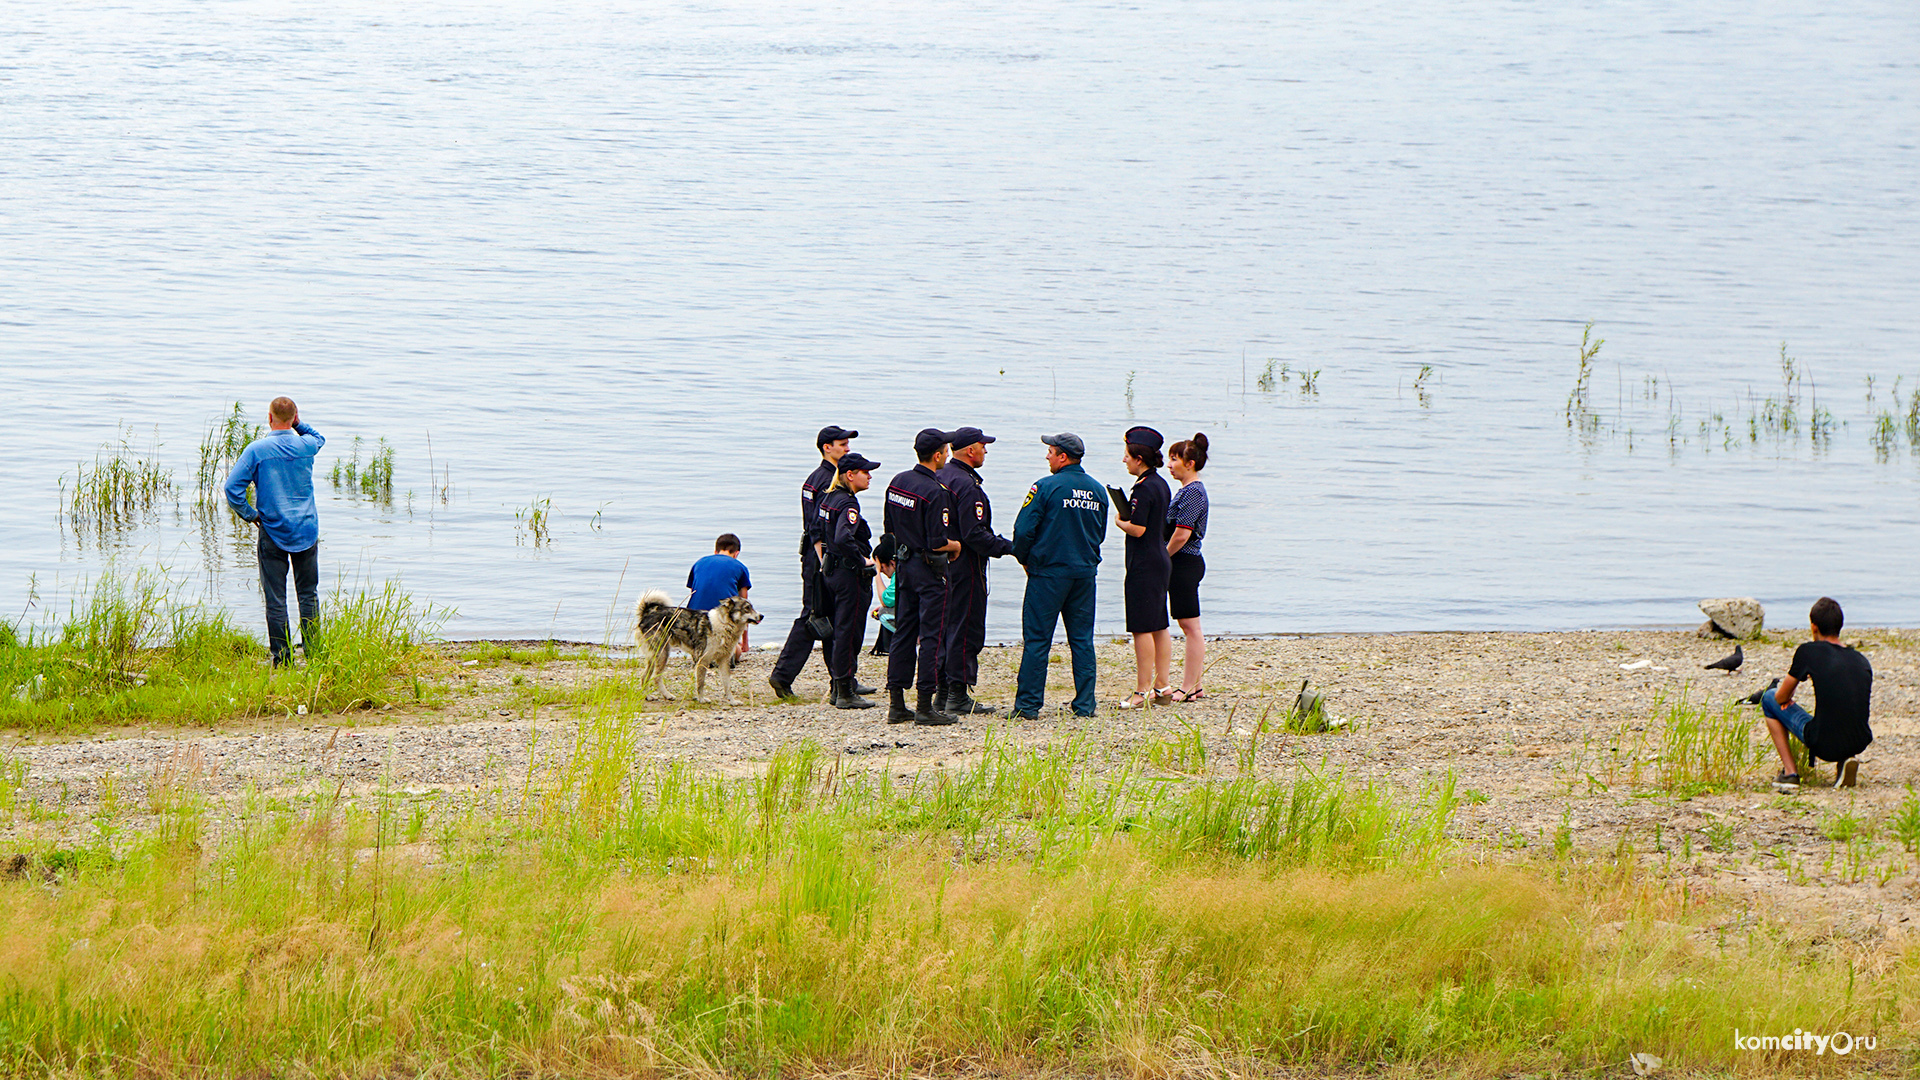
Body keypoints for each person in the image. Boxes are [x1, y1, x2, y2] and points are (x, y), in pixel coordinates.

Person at [1010, 433, 1109, 719]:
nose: (1047, 457)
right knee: (1082, 639)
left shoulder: (1045, 487)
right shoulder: (1098, 490)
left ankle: (1028, 706)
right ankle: (1085, 704)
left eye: (1050, 452)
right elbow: (1099, 533)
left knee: (1038, 639)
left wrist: (1024, 558)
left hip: (1048, 573)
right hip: (1084, 573)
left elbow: (1024, 530)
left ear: (1063, 457)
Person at [223, 396, 325, 667]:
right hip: (306, 528)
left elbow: (232, 489)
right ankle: (314, 653)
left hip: (273, 530)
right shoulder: (306, 445)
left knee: (276, 598)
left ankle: (283, 658)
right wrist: (299, 424)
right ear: (294, 418)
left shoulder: (257, 450)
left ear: (269, 418)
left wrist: (250, 514)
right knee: (308, 594)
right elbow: (319, 437)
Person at [769, 425, 859, 700]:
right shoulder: (825, 480)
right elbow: (819, 527)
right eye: (841, 443)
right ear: (826, 448)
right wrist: (824, 564)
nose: (847, 448)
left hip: (817, 554)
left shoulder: (817, 477)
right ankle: (782, 675)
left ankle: (843, 681)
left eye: (847, 444)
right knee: (814, 616)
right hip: (820, 556)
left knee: (829, 615)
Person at [882, 429, 963, 725]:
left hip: (903, 566)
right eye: (945, 451)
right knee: (931, 635)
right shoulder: (935, 491)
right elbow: (937, 542)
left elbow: (888, 526)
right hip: (929, 570)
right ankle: (925, 705)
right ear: (938, 455)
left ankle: (896, 703)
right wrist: (956, 545)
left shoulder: (898, 482)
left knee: (903, 631)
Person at [935, 426, 1015, 715]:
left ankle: (941, 691)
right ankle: (957, 692)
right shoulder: (967, 486)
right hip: (965, 565)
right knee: (965, 628)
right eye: (983, 446)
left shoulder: (939, 475)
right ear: (971, 450)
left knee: (943, 627)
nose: (986, 451)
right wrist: (1010, 547)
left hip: (937, 566)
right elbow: (975, 534)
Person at [1757, 597, 1873, 791]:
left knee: (1769, 698)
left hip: (1825, 743)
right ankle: (1845, 761)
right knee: (1840, 708)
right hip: (1859, 740)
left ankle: (1790, 773)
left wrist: (1787, 700)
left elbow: (1780, 698)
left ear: (1814, 627)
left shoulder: (1808, 651)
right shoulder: (1860, 659)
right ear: (1840, 626)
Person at [1111, 426, 1172, 709]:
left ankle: (1142, 689)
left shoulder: (1144, 487)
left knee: (1141, 627)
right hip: (1160, 557)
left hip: (1144, 562)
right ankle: (1163, 685)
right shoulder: (1161, 483)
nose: (1124, 461)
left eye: (1127, 455)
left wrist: (1120, 521)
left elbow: (1137, 529)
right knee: (1159, 624)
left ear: (1138, 457)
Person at [817, 452, 883, 709]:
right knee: (850, 630)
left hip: (831, 570)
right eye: (865, 472)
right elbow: (844, 537)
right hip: (848, 575)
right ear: (850, 475)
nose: (869, 477)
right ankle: (844, 690)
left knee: (839, 628)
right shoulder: (848, 503)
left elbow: (820, 530)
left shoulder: (828, 498)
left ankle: (840, 685)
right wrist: (861, 560)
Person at [1165, 433, 1210, 701]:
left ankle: (1189, 686)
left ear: (1189, 463)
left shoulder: (1193, 492)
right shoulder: (1186, 490)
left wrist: (1163, 556)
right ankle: (1196, 685)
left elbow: (1182, 534)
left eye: (1174, 459)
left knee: (1190, 626)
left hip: (1185, 562)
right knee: (1188, 625)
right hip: (1182, 562)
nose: (1169, 465)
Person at [685, 533, 753, 658]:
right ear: (736, 553)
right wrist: (745, 643)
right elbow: (744, 607)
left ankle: (698, 652)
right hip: (720, 623)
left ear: (715, 551)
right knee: (734, 652)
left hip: (694, 626)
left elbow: (694, 593)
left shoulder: (699, 563)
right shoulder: (740, 567)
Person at [869, 533, 898, 657]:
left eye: (882, 568)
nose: (882, 571)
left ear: (892, 563)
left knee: (883, 614)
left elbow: (886, 600)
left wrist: (876, 574)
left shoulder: (898, 575)